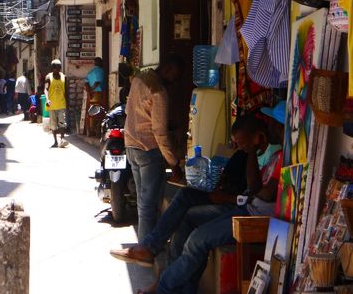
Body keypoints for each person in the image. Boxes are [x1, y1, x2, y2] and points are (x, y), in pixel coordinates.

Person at [114, 114, 282, 294]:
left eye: (242, 142)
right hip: (246, 208)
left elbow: (264, 193)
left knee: (197, 240)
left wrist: (240, 195)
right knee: (188, 216)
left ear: (259, 136)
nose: (239, 147)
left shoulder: (279, 156)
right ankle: (177, 284)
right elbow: (254, 187)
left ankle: (163, 287)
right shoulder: (262, 155)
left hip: (255, 216)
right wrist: (249, 151)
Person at [124, 53, 185, 244]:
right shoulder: (158, 92)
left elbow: (129, 111)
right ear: (167, 69)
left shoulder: (139, 79)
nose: (175, 81)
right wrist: (173, 162)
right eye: (176, 75)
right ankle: (147, 247)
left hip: (131, 145)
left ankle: (146, 244)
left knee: (144, 203)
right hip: (148, 151)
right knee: (149, 204)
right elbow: (159, 133)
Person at [44, 59, 68, 148]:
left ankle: (62, 140)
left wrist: (67, 103)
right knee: (53, 124)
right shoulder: (48, 77)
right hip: (52, 105)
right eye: (56, 67)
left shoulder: (64, 77)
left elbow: (66, 91)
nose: (58, 69)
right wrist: (47, 99)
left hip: (61, 103)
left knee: (62, 123)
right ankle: (55, 141)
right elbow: (46, 89)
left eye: (59, 67)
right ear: (52, 68)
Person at [85, 57, 105, 134]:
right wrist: (92, 90)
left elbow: (86, 83)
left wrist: (89, 91)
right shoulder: (101, 71)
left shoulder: (90, 72)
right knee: (98, 112)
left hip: (90, 95)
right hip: (98, 94)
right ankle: (97, 130)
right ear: (100, 63)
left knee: (91, 111)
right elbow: (97, 83)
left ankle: (91, 129)